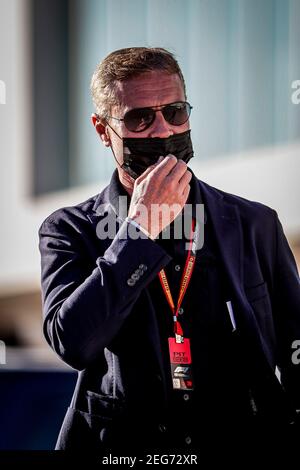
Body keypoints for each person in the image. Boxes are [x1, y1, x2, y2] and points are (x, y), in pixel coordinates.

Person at [39, 47, 300, 453]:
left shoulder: (254, 223)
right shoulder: (69, 229)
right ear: (103, 130)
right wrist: (139, 230)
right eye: (140, 118)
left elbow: (295, 346)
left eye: (175, 112)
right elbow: (72, 343)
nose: (162, 131)